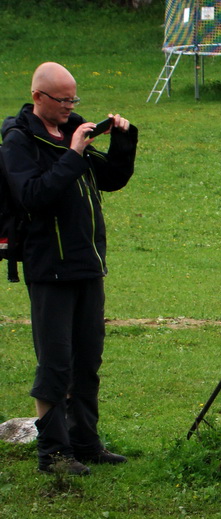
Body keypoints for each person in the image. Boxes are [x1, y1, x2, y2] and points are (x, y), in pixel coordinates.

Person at [1, 62, 139, 475]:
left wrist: (124, 140)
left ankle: (85, 441)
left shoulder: (74, 130)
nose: (71, 106)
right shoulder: (19, 142)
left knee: (87, 360)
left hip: (87, 266)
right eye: (63, 100)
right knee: (55, 364)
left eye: (74, 98)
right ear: (39, 97)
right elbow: (33, 195)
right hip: (49, 269)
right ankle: (54, 453)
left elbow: (111, 179)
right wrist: (74, 154)